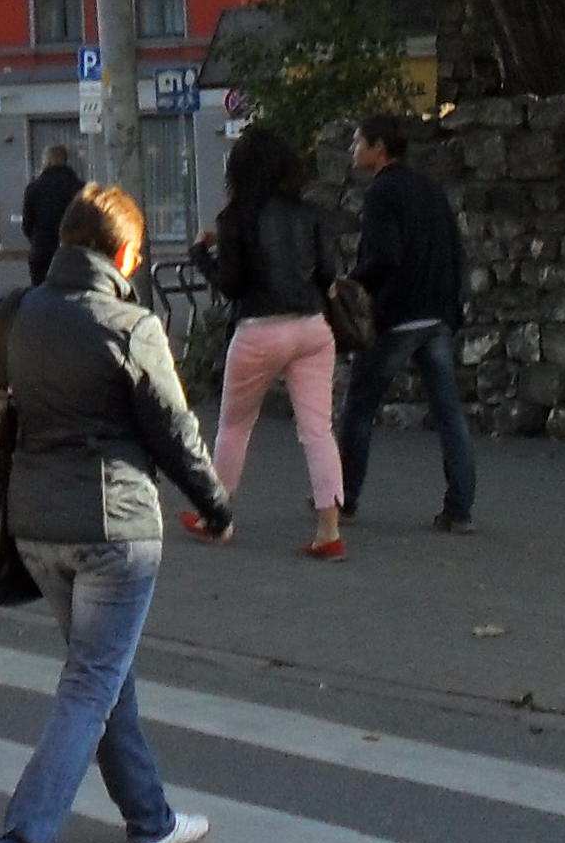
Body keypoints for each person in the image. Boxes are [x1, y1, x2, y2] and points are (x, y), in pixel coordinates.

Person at [0, 184, 233, 843]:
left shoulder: (13, 314)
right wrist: (215, 506)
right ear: (125, 253)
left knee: (103, 673)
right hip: (115, 528)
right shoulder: (131, 325)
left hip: (34, 526)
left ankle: (151, 820)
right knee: (91, 683)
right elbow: (174, 432)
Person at [185, 122, 350, 558]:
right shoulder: (309, 213)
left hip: (259, 331)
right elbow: (327, 273)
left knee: (235, 426)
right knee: (317, 430)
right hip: (312, 329)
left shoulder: (236, 218)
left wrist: (201, 253)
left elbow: (231, 285)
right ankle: (329, 531)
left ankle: (216, 518)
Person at [333, 112, 477, 532]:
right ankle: (459, 508)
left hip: (397, 315)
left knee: (359, 408)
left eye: (358, 141)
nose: (353, 149)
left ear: (379, 148)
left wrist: (350, 286)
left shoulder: (382, 192)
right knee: (448, 412)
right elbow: (455, 250)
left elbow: (385, 256)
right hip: (437, 313)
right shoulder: (430, 188)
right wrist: (452, 306)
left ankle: (344, 499)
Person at [18, 141, 86, 285]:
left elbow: (27, 224)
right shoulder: (81, 188)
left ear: (47, 161)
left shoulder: (34, 188)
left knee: (40, 290)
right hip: (74, 250)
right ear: (65, 161)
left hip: (43, 248)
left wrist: (37, 239)